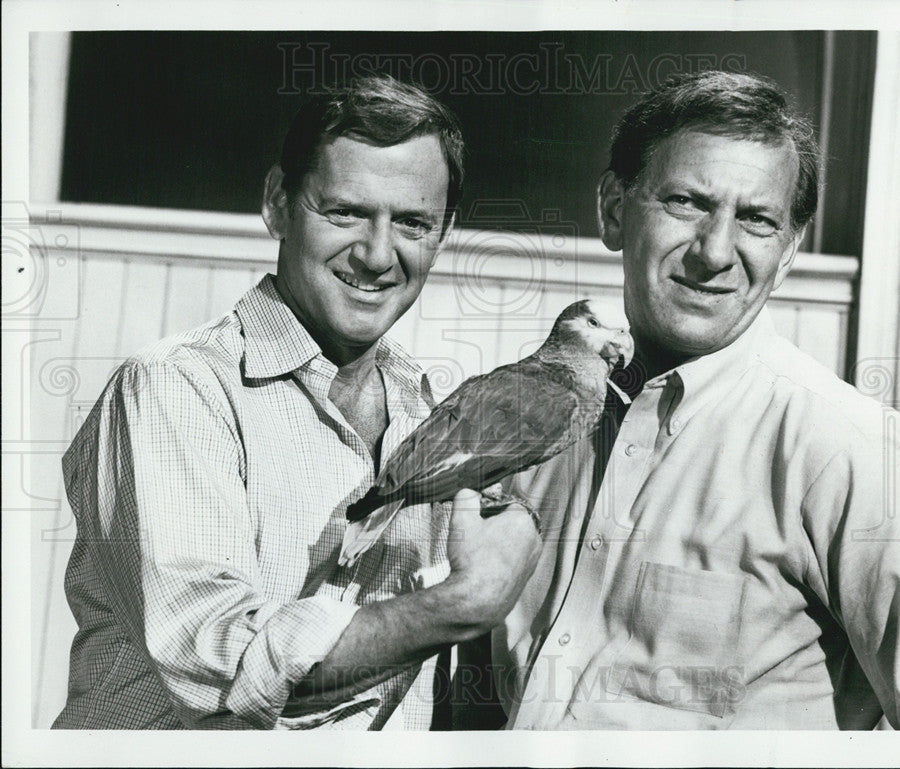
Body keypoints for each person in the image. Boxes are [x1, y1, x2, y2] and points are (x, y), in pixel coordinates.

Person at [53, 75, 541, 730]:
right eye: (345, 212)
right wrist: (459, 603)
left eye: (413, 223)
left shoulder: (429, 407)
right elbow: (223, 667)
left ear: (445, 230)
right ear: (277, 203)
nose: (376, 254)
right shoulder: (174, 389)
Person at [493, 71, 900, 730]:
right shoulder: (535, 423)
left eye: (756, 218)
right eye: (686, 201)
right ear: (612, 209)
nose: (715, 251)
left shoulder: (847, 446)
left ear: (790, 248)